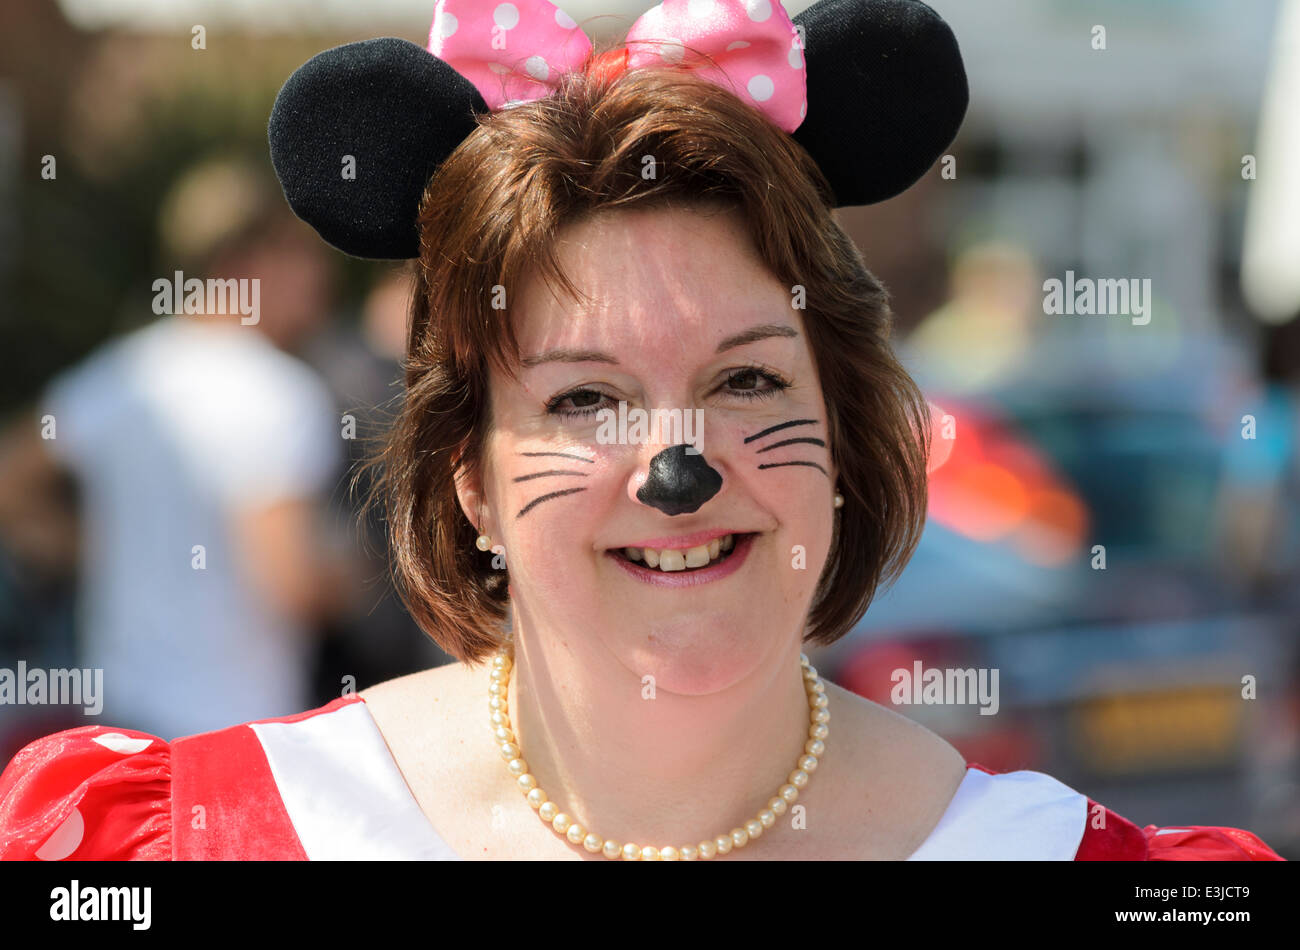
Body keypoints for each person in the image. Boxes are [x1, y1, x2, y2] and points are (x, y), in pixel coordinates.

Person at [0, 0, 1285, 861]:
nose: (681, 469)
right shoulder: (208, 839)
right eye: (582, 398)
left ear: (841, 434)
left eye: (747, 382)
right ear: (471, 479)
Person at [0, 156, 350, 742]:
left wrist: (87, 548)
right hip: (237, 734)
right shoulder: (280, 395)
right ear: (241, 262)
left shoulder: (121, 376)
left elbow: (11, 479)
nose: (319, 275)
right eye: (298, 253)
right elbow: (290, 583)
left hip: (119, 733)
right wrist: (366, 571)